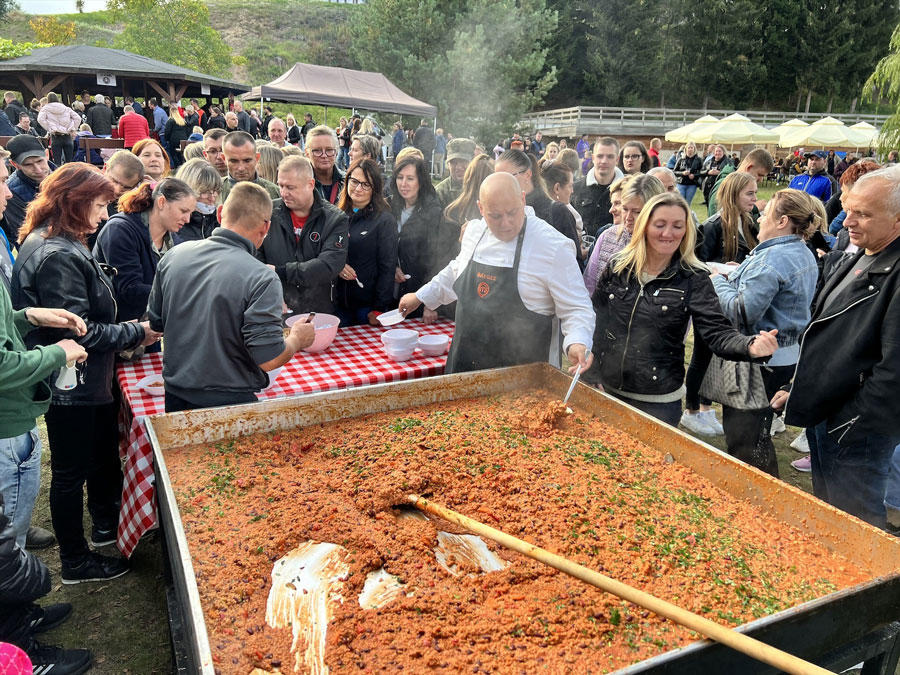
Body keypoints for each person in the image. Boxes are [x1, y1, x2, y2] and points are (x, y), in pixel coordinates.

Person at [11, 164, 159, 582]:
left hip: (84, 380)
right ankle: (75, 562)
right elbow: (79, 330)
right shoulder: (56, 253)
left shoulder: (60, 239)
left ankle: (103, 526)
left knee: (95, 456)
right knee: (70, 473)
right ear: (74, 203)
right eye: (99, 205)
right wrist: (136, 331)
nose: (103, 215)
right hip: (69, 384)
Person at [771, 166, 900, 530]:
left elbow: (893, 374)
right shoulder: (862, 252)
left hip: (856, 430)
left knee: (856, 524)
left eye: (864, 214)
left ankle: (872, 587)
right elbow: (828, 337)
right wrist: (798, 387)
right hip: (828, 416)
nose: (847, 223)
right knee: (830, 514)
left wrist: (849, 424)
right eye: (850, 209)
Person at [592, 192, 778, 426]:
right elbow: (596, 318)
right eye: (660, 225)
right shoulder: (618, 267)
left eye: (677, 226)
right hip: (607, 389)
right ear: (644, 226)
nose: (668, 233)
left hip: (658, 400)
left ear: (686, 231)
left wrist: (749, 345)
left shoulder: (694, 278)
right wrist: (590, 369)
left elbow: (717, 331)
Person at [399, 172, 594, 374]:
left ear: (523, 199)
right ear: (481, 209)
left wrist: (577, 341)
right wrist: (421, 296)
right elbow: (457, 269)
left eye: (512, 212)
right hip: (464, 366)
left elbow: (576, 307)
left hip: (525, 379)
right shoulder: (474, 232)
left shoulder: (552, 246)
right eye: (495, 216)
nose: (506, 223)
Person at [148, 182, 315, 411]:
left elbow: (157, 323)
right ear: (266, 227)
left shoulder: (173, 256)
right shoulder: (261, 277)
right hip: (229, 401)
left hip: (176, 392)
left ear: (219, 213)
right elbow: (269, 359)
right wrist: (297, 338)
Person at [0, 145, 88, 553]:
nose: (9, 194)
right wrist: (59, 353)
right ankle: (17, 613)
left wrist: (29, 316)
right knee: (8, 539)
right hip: (8, 418)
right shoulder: (55, 251)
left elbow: (4, 324)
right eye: (2, 182)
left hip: (15, 414)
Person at [706, 189, 821, 476]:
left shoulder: (774, 258)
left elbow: (741, 311)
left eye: (767, 211)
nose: (760, 216)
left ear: (782, 221)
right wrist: (740, 272)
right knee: (758, 430)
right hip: (782, 356)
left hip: (761, 360)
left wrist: (718, 280)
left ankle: (754, 495)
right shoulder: (798, 251)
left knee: (746, 438)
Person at [682, 171, 760, 436]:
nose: (755, 198)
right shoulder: (714, 225)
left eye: (756, 192)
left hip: (733, 301)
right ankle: (691, 410)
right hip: (712, 301)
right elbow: (698, 263)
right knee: (702, 357)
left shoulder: (750, 224)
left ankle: (706, 408)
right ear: (733, 194)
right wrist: (722, 268)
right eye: (749, 193)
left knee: (720, 359)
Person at [93, 178, 195, 325]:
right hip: (116, 331)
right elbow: (129, 289)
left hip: (151, 328)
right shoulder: (120, 230)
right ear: (161, 202)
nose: (187, 219)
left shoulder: (177, 242)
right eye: (183, 211)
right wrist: (182, 295)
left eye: (190, 213)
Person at [256, 155, 348, 313]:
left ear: (310, 184)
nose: (284, 193)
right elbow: (255, 255)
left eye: (290, 187)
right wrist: (270, 289)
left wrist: (280, 271)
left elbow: (327, 266)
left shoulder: (335, 219)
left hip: (318, 310)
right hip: (277, 307)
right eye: (281, 186)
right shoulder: (267, 211)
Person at [334, 158, 399, 326]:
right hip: (338, 304)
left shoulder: (384, 220)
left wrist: (379, 307)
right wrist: (337, 265)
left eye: (366, 184)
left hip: (367, 307)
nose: (358, 188)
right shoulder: (334, 215)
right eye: (354, 181)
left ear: (374, 189)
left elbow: (388, 266)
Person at [583, 174, 665, 297]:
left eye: (637, 212)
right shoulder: (608, 236)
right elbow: (589, 284)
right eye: (625, 209)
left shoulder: (667, 244)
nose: (628, 217)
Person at [496, 149, 581, 266]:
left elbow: (575, 264)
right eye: (497, 178)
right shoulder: (500, 212)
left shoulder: (557, 211)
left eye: (507, 177)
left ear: (527, 175)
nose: (500, 184)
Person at [390, 156, 444, 318]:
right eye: (400, 177)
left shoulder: (433, 212)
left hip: (419, 294)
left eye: (410, 178)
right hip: (392, 293)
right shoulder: (389, 206)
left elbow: (436, 259)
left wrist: (430, 301)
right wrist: (392, 266)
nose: (403, 183)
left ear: (421, 181)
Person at [3, 136, 53, 250]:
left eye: (40, 161)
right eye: (28, 165)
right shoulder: (11, 194)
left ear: (47, 154)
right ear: (15, 164)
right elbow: (27, 236)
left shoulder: (65, 177)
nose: (38, 170)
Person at [573, 137, 623, 237]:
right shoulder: (575, 188)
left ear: (617, 159)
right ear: (593, 158)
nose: (604, 161)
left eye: (610, 157)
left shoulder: (627, 190)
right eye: (600, 156)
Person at [707, 148, 774, 214]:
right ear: (749, 167)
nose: (761, 180)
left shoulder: (743, 185)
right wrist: (754, 208)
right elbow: (717, 216)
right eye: (759, 175)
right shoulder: (724, 185)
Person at [220, 131, 280, 202]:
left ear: (257, 158)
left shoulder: (275, 193)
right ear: (224, 159)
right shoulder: (214, 191)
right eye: (234, 161)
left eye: (247, 161)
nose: (241, 168)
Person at [175, 158, 222, 241]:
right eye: (205, 192)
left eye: (215, 191)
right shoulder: (174, 225)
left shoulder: (221, 223)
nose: (212, 198)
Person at [542, 160, 584, 248]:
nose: (572, 191)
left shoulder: (536, 208)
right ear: (557, 188)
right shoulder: (562, 213)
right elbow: (573, 256)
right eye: (570, 186)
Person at [35, 93, 80, 165]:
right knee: (69, 163)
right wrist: (72, 128)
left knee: (57, 163)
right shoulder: (65, 108)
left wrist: (49, 128)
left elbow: (40, 119)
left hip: (55, 136)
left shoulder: (45, 109)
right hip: (67, 136)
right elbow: (77, 118)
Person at [305, 125, 344, 205]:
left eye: (329, 150)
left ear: (336, 151)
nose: (324, 155)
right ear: (307, 153)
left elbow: (357, 209)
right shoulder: (300, 184)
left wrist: (354, 212)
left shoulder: (347, 182)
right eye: (317, 150)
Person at [435, 138, 476, 208]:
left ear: (473, 162)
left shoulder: (483, 187)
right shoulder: (440, 193)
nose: (458, 167)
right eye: (453, 162)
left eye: (463, 161)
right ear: (448, 164)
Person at [673, 142, 703, 206]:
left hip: (692, 184)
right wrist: (682, 173)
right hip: (681, 183)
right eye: (689, 148)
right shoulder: (681, 159)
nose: (690, 149)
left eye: (692, 148)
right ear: (686, 149)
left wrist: (694, 175)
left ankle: (687, 215)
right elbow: (674, 171)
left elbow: (702, 172)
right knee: (680, 202)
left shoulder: (698, 160)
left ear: (694, 149)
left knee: (687, 203)